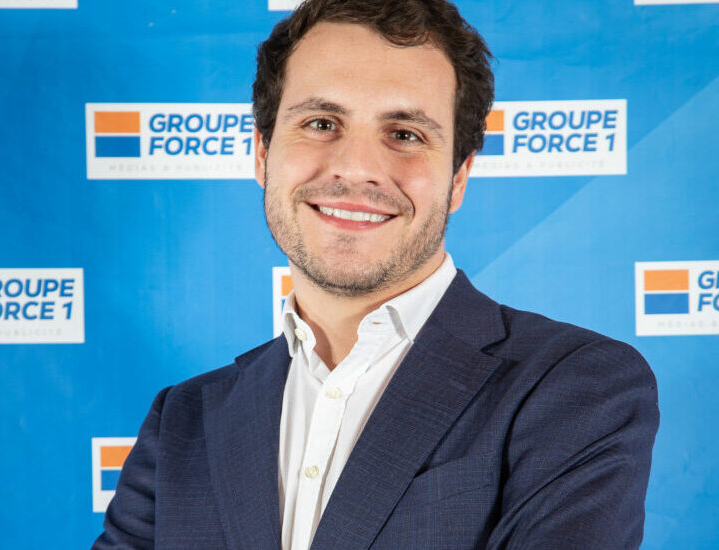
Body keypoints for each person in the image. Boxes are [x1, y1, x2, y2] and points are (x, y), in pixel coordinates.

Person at [93, 0, 659, 548]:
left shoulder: (574, 385)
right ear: (262, 154)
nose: (356, 167)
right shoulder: (184, 420)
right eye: (321, 123)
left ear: (459, 178)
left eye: (405, 134)